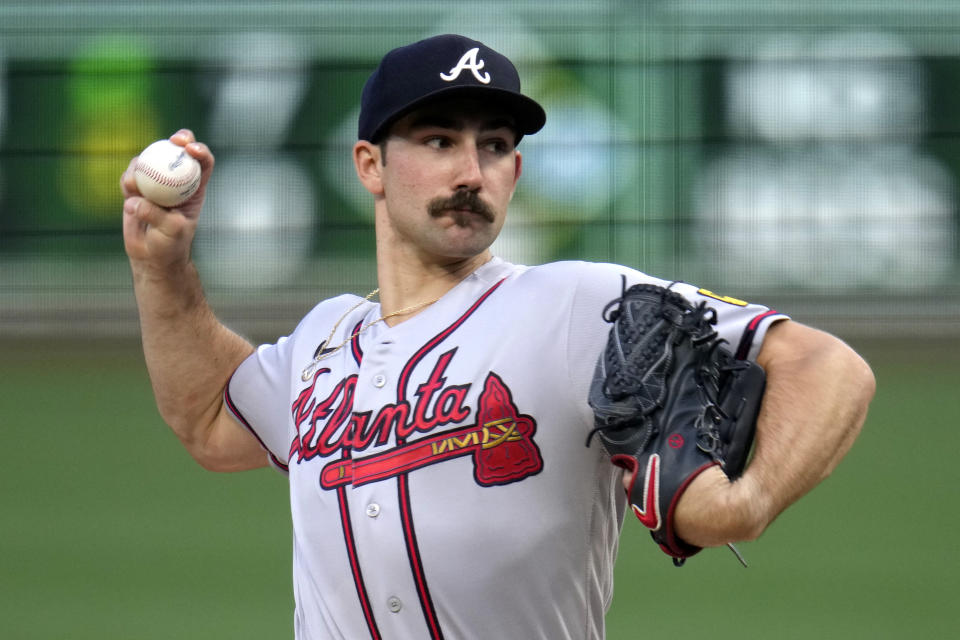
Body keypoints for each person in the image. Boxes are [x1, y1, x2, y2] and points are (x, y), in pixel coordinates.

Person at [120, 34, 875, 640]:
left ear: (516, 170)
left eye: (494, 145)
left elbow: (826, 363)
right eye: (439, 140)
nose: (471, 171)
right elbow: (212, 419)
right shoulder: (325, 337)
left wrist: (748, 501)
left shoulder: (579, 303)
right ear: (371, 165)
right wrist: (164, 268)